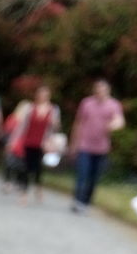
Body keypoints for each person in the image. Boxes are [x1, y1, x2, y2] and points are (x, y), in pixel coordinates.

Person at [69, 79, 126, 213]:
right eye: (98, 90)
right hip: (84, 145)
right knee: (82, 174)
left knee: (94, 178)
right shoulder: (86, 103)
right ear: (94, 91)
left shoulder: (114, 105)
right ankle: (78, 201)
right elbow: (78, 123)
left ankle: (86, 201)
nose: (100, 92)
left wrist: (114, 125)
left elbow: (119, 120)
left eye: (103, 90)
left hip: (101, 148)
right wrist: (74, 143)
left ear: (108, 91)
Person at [14, 86, 61, 204]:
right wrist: (14, 140)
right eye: (41, 94)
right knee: (25, 167)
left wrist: (54, 125)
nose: (42, 97)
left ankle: (38, 187)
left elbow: (56, 128)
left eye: (45, 94)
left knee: (38, 168)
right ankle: (24, 193)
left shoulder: (54, 109)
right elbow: (22, 126)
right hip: (29, 141)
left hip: (43, 143)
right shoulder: (30, 108)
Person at [0, 99, 30, 193]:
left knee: (20, 165)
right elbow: (7, 132)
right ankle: (8, 183)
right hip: (13, 144)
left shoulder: (29, 122)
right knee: (10, 164)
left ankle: (16, 182)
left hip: (24, 146)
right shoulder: (13, 118)